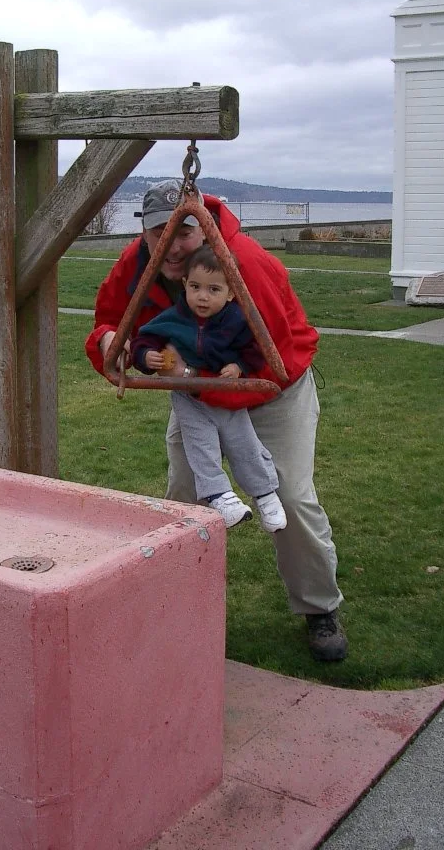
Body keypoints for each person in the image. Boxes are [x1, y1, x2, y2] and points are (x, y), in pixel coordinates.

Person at [84, 178, 348, 662]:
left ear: (203, 231)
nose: (172, 246)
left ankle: (319, 607)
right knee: (185, 495)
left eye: (183, 233)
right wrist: (110, 344)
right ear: (144, 231)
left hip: (271, 387)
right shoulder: (137, 263)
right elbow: (110, 321)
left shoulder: (246, 263)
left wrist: (192, 380)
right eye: (160, 232)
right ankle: (172, 598)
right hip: (197, 390)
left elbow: (273, 356)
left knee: (289, 495)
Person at [129, 244, 287, 533]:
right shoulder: (175, 317)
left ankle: (265, 495)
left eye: (214, 289)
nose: (202, 296)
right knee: (200, 445)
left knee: (243, 443)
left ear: (231, 293)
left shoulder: (237, 320)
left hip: (226, 395)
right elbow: (145, 337)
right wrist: (145, 356)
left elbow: (256, 349)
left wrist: (239, 366)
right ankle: (220, 496)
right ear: (184, 285)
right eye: (195, 287)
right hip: (189, 397)